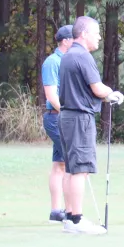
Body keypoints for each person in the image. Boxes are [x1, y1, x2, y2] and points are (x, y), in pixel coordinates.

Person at [57, 15, 123, 235]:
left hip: (67, 116)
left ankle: (69, 217)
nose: (99, 37)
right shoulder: (82, 56)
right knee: (80, 170)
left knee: (71, 168)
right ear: (84, 34)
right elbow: (97, 88)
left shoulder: (67, 55)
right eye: (96, 33)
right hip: (79, 118)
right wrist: (112, 95)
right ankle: (77, 220)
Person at [41, 25, 76, 223]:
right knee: (69, 163)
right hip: (56, 117)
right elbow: (51, 95)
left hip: (60, 117)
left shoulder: (67, 61)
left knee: (59, 164)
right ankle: (71, 211)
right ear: (65, 41)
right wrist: (68, 114)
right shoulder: (52, 62)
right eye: (74, 39)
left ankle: (56, 211)